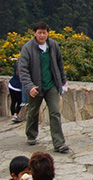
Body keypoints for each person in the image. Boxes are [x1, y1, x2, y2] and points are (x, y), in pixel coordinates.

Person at [18, 22, 69, 152]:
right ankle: (31, 134)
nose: (42, 35)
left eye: (44, 32)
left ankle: (59, 143)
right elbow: (23, 70)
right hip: (35, 86)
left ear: (47, 33)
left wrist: (63, 80)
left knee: (55, 112)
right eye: (39, 32)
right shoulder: (28, 48)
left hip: (51, 84)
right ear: (34, 33)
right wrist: (29, 87)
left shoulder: (53, 45)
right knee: (33, 112)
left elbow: (59, 63)